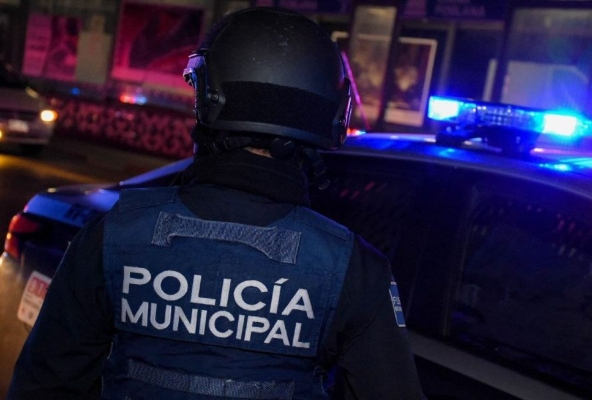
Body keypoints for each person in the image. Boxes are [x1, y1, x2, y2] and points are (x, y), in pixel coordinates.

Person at [8, 7, 425, 400]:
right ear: (330, 116)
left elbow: (44, 386)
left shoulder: (111, 236)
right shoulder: (354, 268)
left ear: (208, 98)